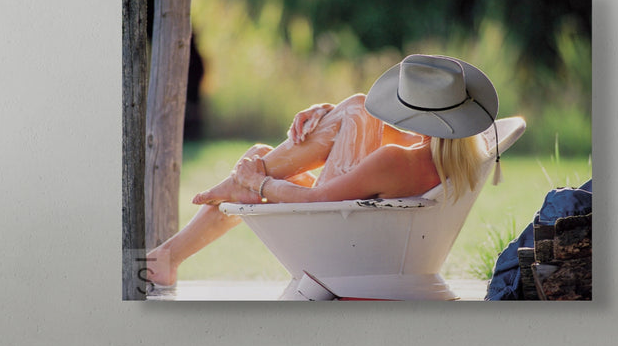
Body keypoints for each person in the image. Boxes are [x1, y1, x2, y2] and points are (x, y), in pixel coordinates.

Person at [141, 54, 499, 291]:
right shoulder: (462, 153)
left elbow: (315, 199)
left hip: (338, 235)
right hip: (372, 235)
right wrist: (331, 116)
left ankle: (232, 190)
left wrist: (257, 181)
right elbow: (389, 130)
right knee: (356, 109)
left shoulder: (396, 160)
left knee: (264, 156)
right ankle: (167, 256)